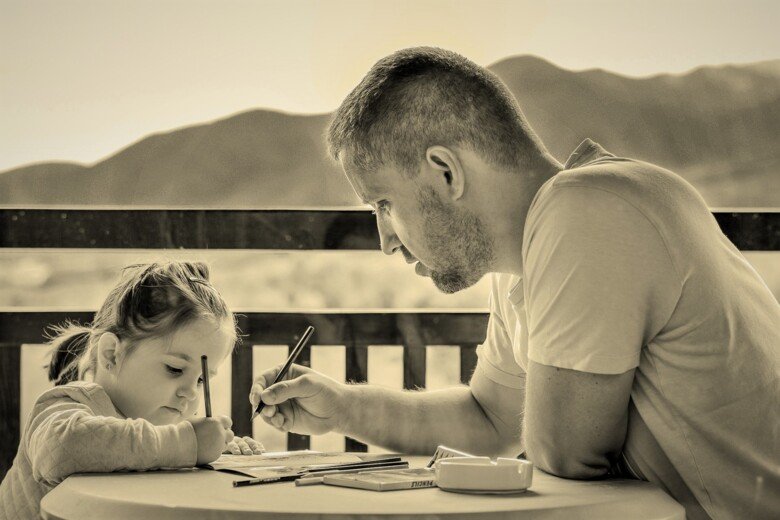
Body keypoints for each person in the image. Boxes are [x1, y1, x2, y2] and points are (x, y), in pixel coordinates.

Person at [250, 47, 780, 519]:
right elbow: (487, 419)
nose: (386, 240)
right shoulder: (529, 257)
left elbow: (564, 456)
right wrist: (342, 405)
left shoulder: (586, 210)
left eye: (384, 204)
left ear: (445, 172)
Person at [0, 261, 263, 520]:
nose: (190, 394)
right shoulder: (67, 405)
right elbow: (59, 450)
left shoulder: (154, 434)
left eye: (201, 381)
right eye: (174, 369)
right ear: (112, 354)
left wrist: (214, 452)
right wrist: (185, 443)